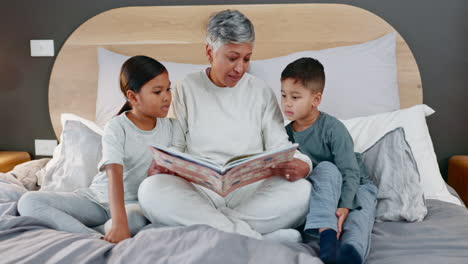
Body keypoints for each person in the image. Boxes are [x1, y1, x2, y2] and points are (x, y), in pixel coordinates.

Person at [138, 9, 312, 242]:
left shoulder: (260, 91)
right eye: (232, 58)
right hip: (200, 192)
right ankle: (255, 238)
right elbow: (176, 146)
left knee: (303, 191)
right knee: (150, 189)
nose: (240, 68)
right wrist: (163, 165)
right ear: (209, 52)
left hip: (251, 192)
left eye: (247, 58)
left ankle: (214, 229)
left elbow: (280, 147)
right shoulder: (185, 88)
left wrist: (304, 165)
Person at [18, 55, 184, 243]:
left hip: (135, 206)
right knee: (30, 201)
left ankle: (105, 230)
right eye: (157, 91)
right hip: (96, 200)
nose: (167, 96)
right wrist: (119, 224)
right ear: (132, 96)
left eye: (168, 89)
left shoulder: (173, 128)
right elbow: (114, 173)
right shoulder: (117, 127)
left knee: (135, 221)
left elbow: (175, 171)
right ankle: (94, 238)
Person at [280, 57, 378, 264]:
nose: (287, 103)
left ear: (316, 100)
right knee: (324, 170)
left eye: (295, 97)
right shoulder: (284, 134)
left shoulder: (333, 129)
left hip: (356, 185)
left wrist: (345, 206)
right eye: (283, 95)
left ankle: (351, 253)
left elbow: (350, 171)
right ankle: (327, 239)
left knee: (359, 218)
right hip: (323, 190)